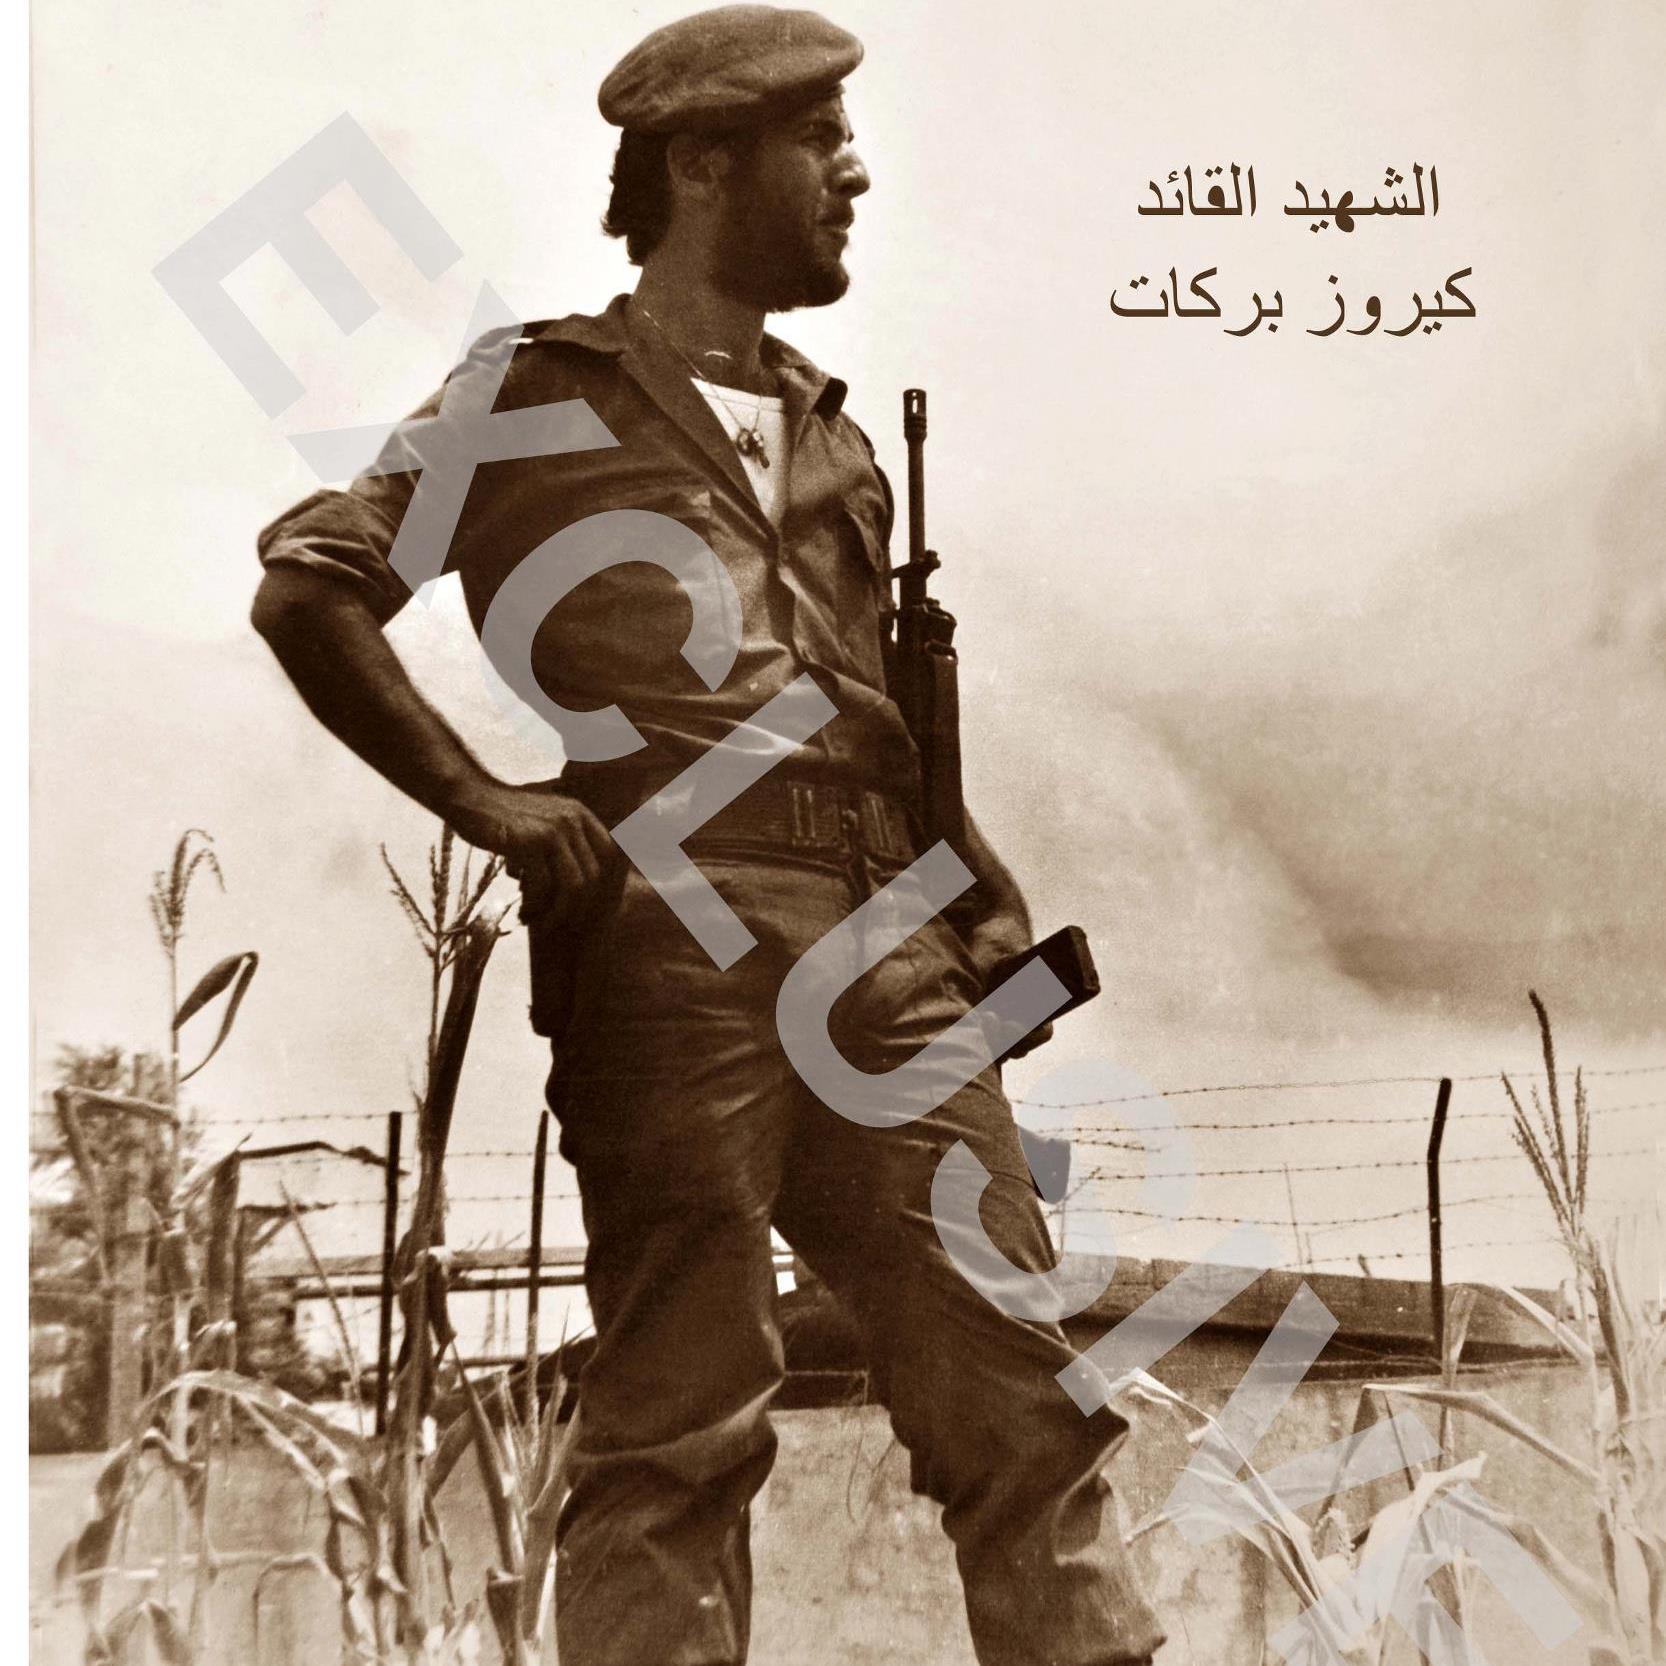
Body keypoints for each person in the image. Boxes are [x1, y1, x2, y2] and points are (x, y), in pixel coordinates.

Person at [250, 7, 1164, 1663]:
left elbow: (878, 720)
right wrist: (485, 800)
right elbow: (313, 586)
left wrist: (971, 898)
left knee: (1027, 1397)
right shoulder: (533, 392)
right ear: (698, 163)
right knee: (679, 1417)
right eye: (817, 140)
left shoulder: (839, 438)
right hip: (668, 935)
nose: (852, 173)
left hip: (882, 941)